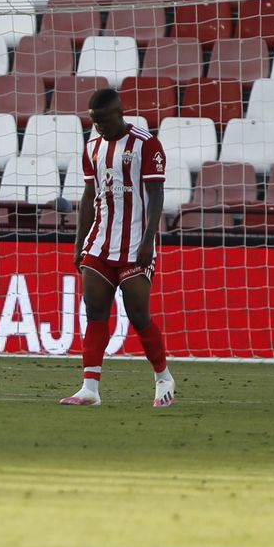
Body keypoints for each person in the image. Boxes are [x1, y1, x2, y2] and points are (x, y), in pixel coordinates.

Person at [61, 88, 175, 408]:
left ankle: (163, 377)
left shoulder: (146, 144)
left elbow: (156, 195)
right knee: (95, 311)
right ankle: (90, 388)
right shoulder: (92, 148)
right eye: (94, 122)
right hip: (99, 242)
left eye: (104, 121)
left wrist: (149, 240)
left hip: (136, 245)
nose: (99, 127)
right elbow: (89, 197)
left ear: (119, 113)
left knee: (138, 315)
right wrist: (79, 243)